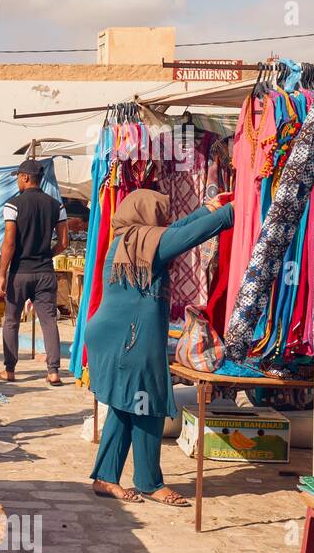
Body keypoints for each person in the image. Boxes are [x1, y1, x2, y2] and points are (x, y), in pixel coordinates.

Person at [86, 190, 234, 506]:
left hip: (119, 336)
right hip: (129, 340)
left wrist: (206, 208)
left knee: (126, 407)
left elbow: (175, 232)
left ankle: (105, 477)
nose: (163, 222)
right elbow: (187, 236)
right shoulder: (146, 246)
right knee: (147, 404)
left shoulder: (131, 242)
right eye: (160, 215)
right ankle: (150, 483)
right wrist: (234, 211)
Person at [0, 158, 68, 385]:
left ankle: (10, 370)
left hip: (20, 272)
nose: (17, 181)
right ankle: (54, 371)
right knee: (49, 321)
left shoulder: (13, 205)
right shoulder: (56, 205)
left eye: (18, 177)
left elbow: (9, 243)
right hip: (45, 272)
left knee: (11, 320)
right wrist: (48, 254)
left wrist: (2, 273)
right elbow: (64, 242)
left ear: (26, 177)